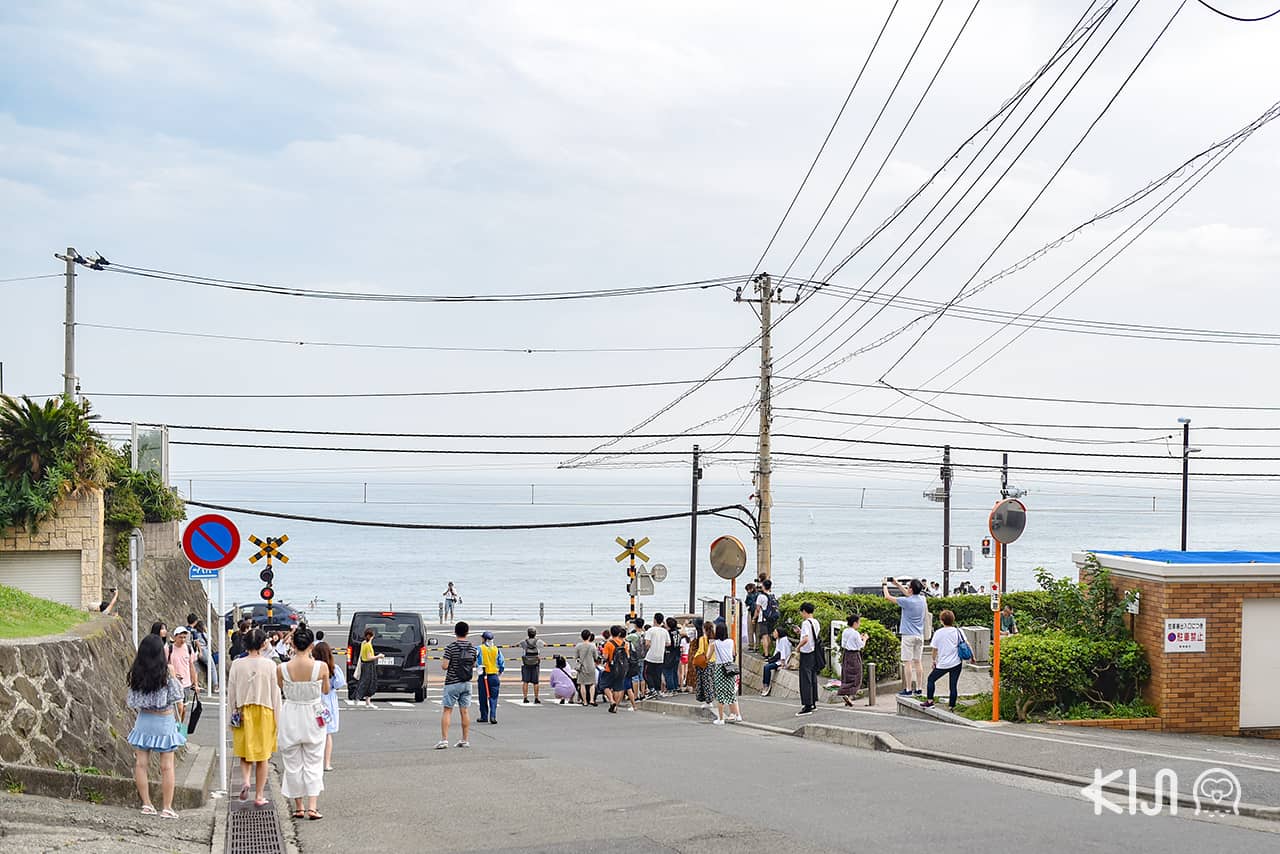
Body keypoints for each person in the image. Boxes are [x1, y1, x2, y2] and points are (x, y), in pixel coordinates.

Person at [126, 633, 186, 818]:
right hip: (164, 720)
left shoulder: (137, 671)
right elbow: (177, 696)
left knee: (141, 764)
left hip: (144, 719)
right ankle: (167, 807)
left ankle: (147, 804)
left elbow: (132, 699)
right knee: (167, 766)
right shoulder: (166, 671)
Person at [276, 625, 329, 820]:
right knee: (314, 760)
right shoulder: (321, 667)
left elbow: (281, 687)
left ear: (293, 644)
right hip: (313, 714)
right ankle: (312, 807)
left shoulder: (281, 668)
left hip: (291, 713)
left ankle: (299, 806)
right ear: (311, 645)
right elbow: (325, 690)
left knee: (292, 763)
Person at [228, 628, 280, 806]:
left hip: (243, 711)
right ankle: (259, 796)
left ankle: (245, 780)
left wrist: (232, 714)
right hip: (265, 711)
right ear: (263, 644)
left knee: (245, 751)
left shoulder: (237, 664)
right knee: (263, 756)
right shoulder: (270, 665)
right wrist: (277, 719)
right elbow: (275, 694)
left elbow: (231, 693)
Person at [884, 578, 926, 698]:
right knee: (918, 662)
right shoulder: (923, 599)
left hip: (908, 635)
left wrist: (884, 584)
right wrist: (897, 584)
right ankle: (919, 689)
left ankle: (908, 689)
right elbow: (909, 594)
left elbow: (887, 597)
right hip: (919, 635)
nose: (907, 588)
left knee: (907, 662)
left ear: (911, 589)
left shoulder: (906, 601)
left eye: (909, 586)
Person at [437, 621, 475, 749]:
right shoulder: (472, 648)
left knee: (447, 710)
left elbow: (444, 666)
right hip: (467, 682)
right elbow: (473, 664)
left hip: (452, 682)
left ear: (455, 632)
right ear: (467, 632)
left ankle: (444, 740)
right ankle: (465, 740)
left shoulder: (451, 647)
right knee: (464, 711)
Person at [922, 610, 965, 710]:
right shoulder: (958, 631)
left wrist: (933, 660)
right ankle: (952, 706)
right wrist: (972, 657)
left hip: (943, 664)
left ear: (942, 621)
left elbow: (934, 649)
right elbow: (966, 644)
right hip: (956, 662)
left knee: (931, 679)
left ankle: (930, 701)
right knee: (953, 685)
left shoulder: (938, 633)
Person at [313, 642, 344, 771]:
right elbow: (339, 683)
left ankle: (315, 762)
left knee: (315, 732)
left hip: (315, 701)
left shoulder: (313, 667)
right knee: (327, 733)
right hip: (328, 703)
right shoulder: (333, 668)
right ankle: (327, 763)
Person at [167, 627, 199, 732]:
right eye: (181, 637)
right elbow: (164, 665)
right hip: (174, 683)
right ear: (175, 637)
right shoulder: (169, 649)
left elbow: (192, 666)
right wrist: (173, 674)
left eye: (185, 637)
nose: (183, 640)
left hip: (186, 683)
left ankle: (179, 728)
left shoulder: (189, 649)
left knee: (184, 708)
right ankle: (174, 730)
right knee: (178, 707)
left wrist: (195, 683)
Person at [710, 622, 742, 725]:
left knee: (720, 693)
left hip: (720, 668)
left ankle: (721, 719)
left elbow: (708, 656)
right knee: (731, 691)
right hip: (730, 667)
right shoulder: (731, 641)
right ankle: (738, 715)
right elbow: (733, 654)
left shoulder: (714, 644)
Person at [837, 614, 868, 707]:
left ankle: (847, 695)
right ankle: (848, 695)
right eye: (859, 622)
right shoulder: (855, 633)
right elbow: (861, 645)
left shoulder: (845, 631)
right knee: (856, 676)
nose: (859, 624)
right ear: (855, 623)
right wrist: (865, 639)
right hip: (854, 655)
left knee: (847, 675)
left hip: (846, 655)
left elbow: (843, 644)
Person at [796, 603, 821, 716]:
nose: (801, 614)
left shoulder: (806, 623)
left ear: (804, 611)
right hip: (814, 652)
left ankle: (807, 705)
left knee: (805, 680)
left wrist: (798, 647)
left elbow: (806, 639)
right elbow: (812, 636)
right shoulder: (815, 622)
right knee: (812, 678)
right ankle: (813, 702)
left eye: (801, 612)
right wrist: (800, 632)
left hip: (806, 653)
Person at [475, 630, 504, 724]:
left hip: (483, 675)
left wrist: (476, 665)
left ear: (484, 639)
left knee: (483, 697)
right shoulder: (496, 649)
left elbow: (473, 657)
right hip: (494, 676)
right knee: (493, 698)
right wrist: (500, 671)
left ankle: (484, 716)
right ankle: (493, 716)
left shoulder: (479, 648)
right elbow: (501, 662)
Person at [601, 625, 629, 713]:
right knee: (617, 688)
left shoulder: (608, 644)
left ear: (611, 633)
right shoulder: (625, 644)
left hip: (610, 668)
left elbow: (605, 657)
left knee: (605, 685)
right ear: (619, 633)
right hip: (621, 668)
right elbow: (627, 656)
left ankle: (612, 701)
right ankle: (615, 706)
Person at [761, 627, 792, 697]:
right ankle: (765, 684)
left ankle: (766, 686)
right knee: (766, 666)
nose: (773, 634)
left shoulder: (784, 640)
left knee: (767, 667)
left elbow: (783, 653)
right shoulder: (778, 640)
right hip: (778, 660)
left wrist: (782, 664)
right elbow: (777, 652)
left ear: (779, 633)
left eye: (775, 632)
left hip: (782, 661)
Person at [642, 614, 668, 698]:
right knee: (657, 675)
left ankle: (652, 689)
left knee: (646, 674)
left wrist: (650, 646)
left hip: (650, 656)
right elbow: (668, 643)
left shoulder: (650, 630)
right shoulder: (664, 631)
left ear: (655, 620)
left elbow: (647, 643)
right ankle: (658, 690)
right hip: (660, 656)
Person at [519, 627, 545, 703]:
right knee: (536, 682)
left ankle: (525, 698)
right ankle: (536, 698)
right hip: (535, 663)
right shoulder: (538, 641)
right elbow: (545, 644)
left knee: (525, 681)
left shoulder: (524, 642)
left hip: (526, 663)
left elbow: (517, 644)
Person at [354, 628, 378, 707]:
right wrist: (378, 656)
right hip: (368, 665)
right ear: (372, 636)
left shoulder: (364, 643)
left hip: (366, 665)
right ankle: (358, 697)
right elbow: (369, 657)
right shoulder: (368, 645)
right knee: (366, 682)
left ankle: (367, 701)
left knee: (368, 682)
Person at [574, 629, 598, 707]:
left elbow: (576, 657)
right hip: (591, 666)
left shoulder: (578, 646)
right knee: (592, 684)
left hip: (582, 667)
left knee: (582, 684)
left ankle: (584, 701)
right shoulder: (593, 646)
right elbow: (596, 657)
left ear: (582, 637)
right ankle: (591, 700)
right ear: (589, 637)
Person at [694, 620, 716, 708]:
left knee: (705, 682)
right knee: (711, 681)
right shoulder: (714, 638)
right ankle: (711, 699)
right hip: (713, 662)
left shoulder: (702, 639)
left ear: (704, 629)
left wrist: (695, 658)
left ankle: (708, 702)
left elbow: (701, 651)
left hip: (705, 663)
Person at [758, 579, 779, 659]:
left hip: (763, 619)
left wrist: (754, 618)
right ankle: (769, 653)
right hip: (772, 619)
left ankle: (766, 654)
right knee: (769, 636)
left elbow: (758, 608)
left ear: (763, 586)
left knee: (764, 636)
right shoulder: (772, 595)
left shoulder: (761, 596)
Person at [661, 617, 681, 694]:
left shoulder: (668, 633)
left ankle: (670, 689)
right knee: (674, 672)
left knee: (667, 672)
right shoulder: (677, 632)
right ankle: (675, 687)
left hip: (670, 654)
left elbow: (668, 643)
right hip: (677, 653)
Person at [743, 583, 758, 650]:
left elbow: (747, 604)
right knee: (757, 631)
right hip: (758, 613)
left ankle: (751, 645)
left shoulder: (749, 596)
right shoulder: (759, 594)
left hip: (751, 612)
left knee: (750, 630)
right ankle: (757, 646)